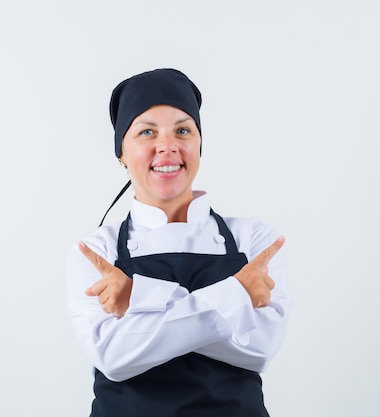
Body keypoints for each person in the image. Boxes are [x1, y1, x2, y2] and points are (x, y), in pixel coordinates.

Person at [65, 68, 292, 417]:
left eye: (183, 130)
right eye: (146, 132)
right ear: (121, 153)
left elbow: (259, 348)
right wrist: (234, 295)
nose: (167, 146)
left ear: (199, 143)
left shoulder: (255, 239)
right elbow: (114, 357)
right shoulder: (96, 251)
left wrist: (138, 298)